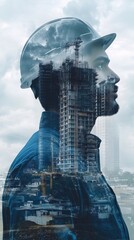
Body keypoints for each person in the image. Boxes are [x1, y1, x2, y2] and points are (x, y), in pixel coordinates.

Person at [2, 17, 129, 240]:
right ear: (66, 79)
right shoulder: (45, 167)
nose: (114, 76)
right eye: (99, 65)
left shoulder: (75, 160)